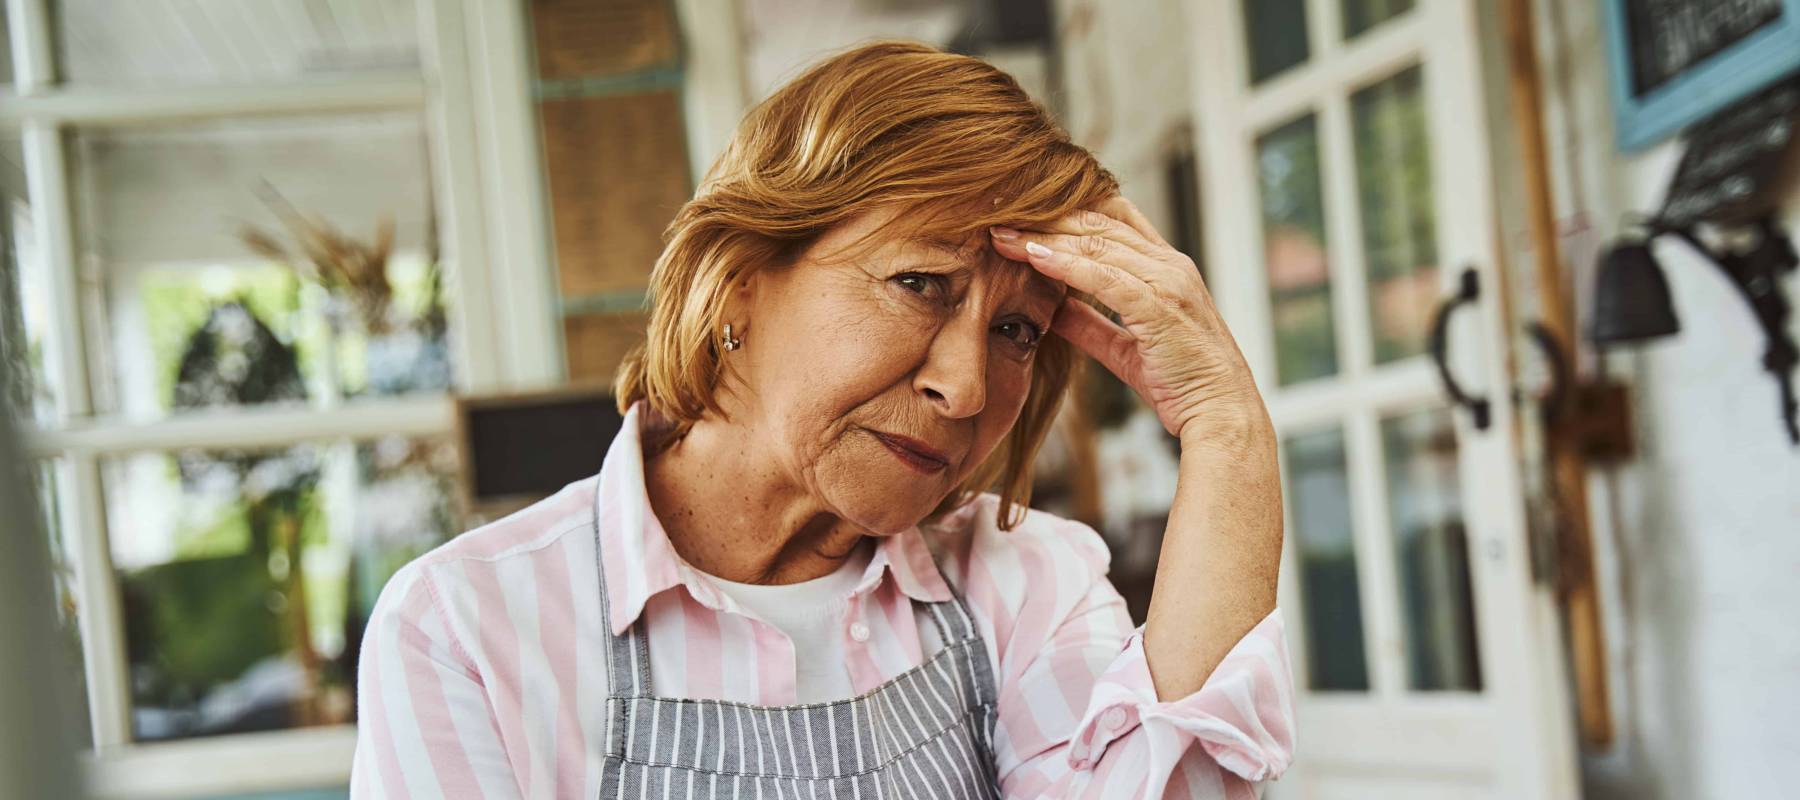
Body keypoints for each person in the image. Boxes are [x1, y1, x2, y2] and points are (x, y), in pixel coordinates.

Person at [351, 40, 1294, 799]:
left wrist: (1227, 430)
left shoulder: (1024, 586)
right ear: (741, 282)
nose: (966, 388)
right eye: (919, 284)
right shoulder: (466, 629)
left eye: (1015, 329)